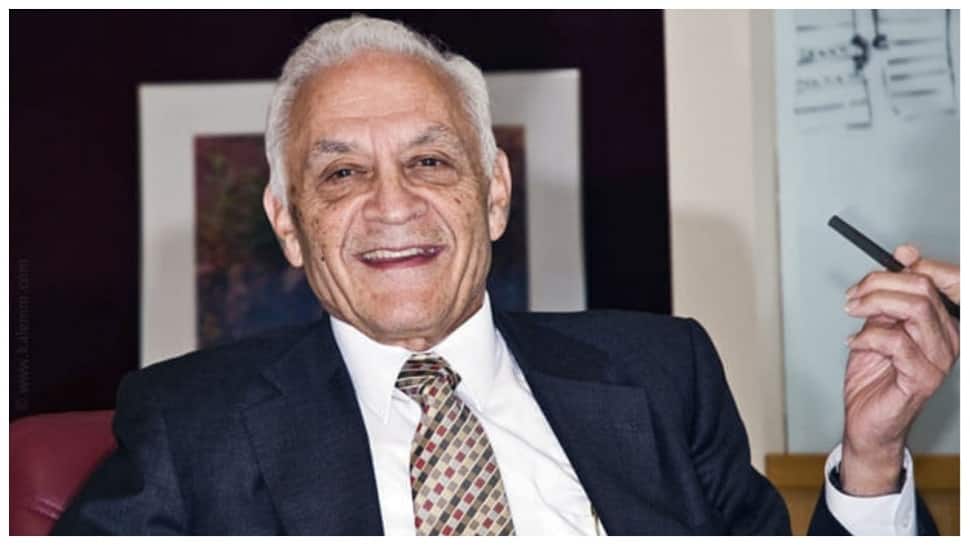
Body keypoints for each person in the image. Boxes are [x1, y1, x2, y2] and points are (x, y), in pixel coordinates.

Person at [53, 16, 958, 535]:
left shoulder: (661, 375)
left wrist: (871, 457)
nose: (392, 204)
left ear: (493, 192)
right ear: (288, 223)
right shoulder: (190, 428)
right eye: (341, 174)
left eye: (430, 162)